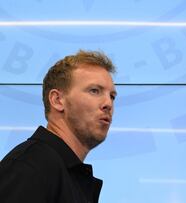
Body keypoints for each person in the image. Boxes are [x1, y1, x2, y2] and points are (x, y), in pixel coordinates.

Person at [0, 50, 117, 203]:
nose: (108, 104)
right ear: (57, 100)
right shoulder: (30, 168)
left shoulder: (63, 173)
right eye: (94, 91)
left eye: (112, 96)